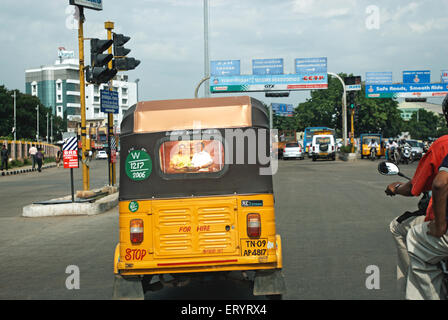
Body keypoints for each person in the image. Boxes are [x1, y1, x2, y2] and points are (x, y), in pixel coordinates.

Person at [387, 94, 448, 298]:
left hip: (442, 224)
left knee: (400, 229)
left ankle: (411, 284)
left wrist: (395, 188)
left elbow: (416, 187)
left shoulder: (441, 145)